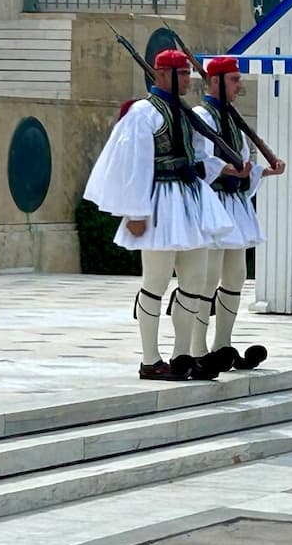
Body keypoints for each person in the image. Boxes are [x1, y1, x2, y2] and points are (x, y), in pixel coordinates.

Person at [84, 49, 241, 380]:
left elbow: (199, 157)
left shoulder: (186, 114)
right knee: (155, 282)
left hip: (189, 202)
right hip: (159, 203)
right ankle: (150, 359)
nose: (187, 79)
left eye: (187, 73)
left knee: (195, 282)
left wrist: (221, 167)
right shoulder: (143, 114)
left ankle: (183, 355)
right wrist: (135, 211)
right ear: (163, 74)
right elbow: (134, 165)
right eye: (182, 74)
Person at [190, 56, 286, 371]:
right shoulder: (201, 116)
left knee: (236, 276)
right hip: (214, 205)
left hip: (234, 205)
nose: (239, 85)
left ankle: (223, 344)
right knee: (208, 278)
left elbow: (243, 165)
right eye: (233, 79)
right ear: (214, 81)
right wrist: (232, 169)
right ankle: (196, 347)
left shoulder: (231, 119)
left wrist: (264, 172)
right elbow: (200, 163)